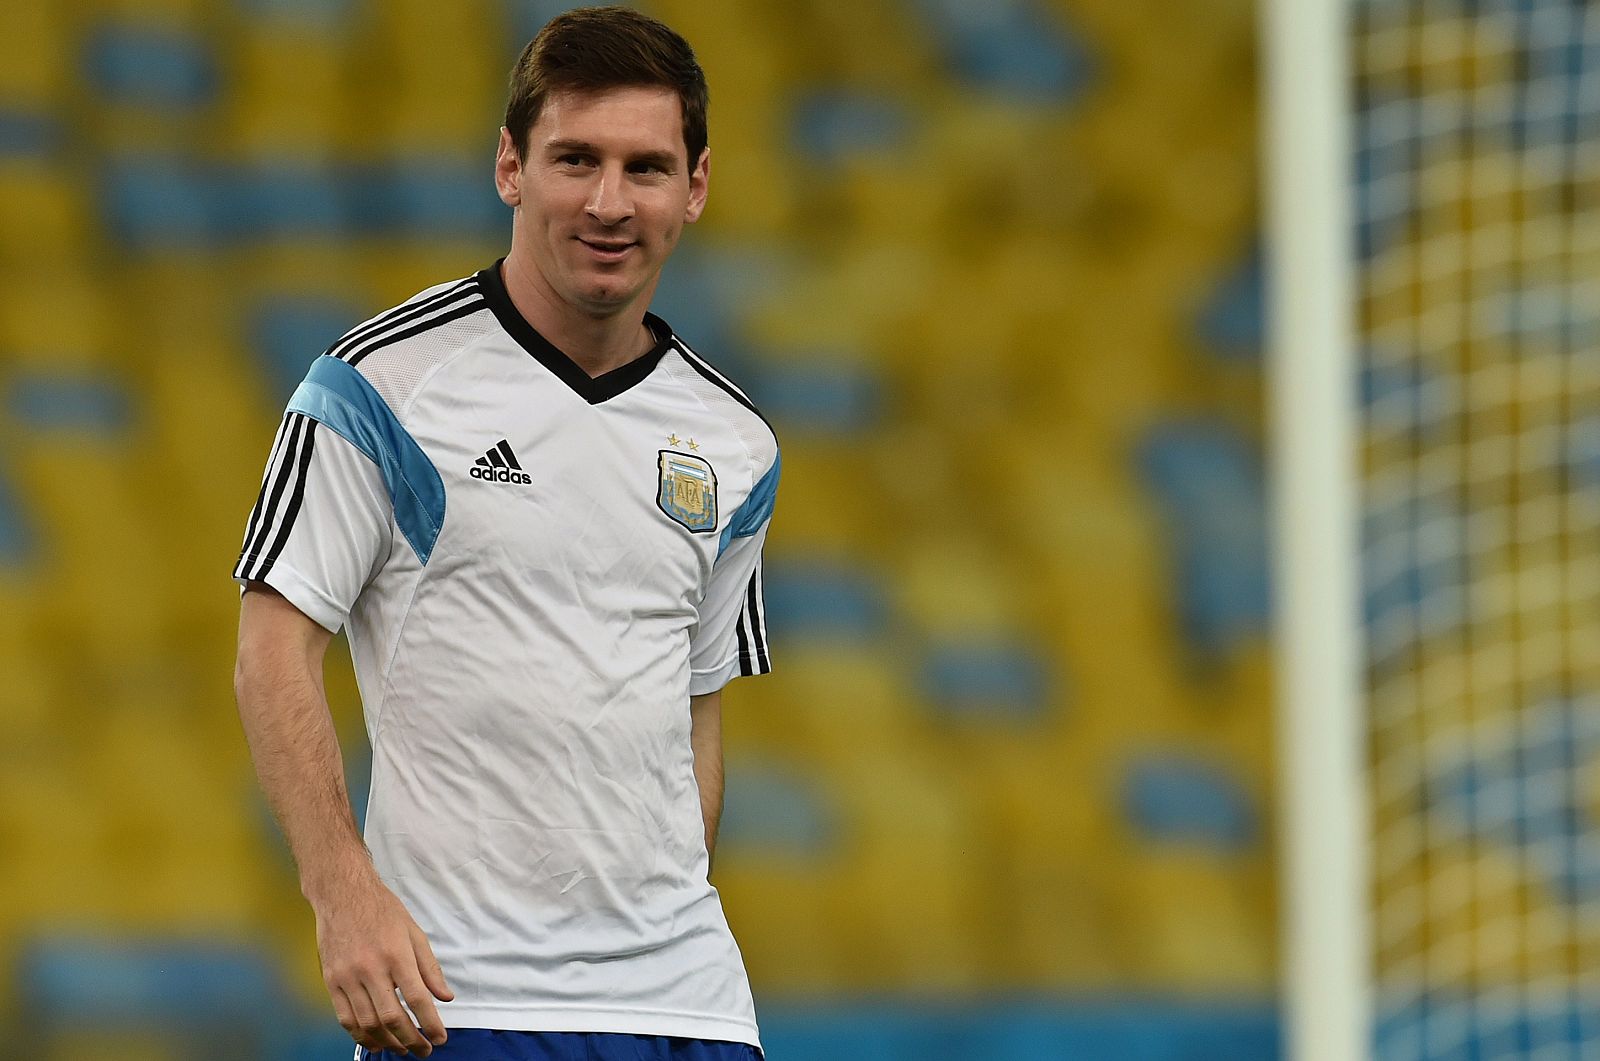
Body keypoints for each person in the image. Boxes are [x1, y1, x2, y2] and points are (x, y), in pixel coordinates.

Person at [230, 8, 778, 1059]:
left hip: (687, 1009)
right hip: (458, 1000)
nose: (609, 202)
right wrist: (341, 892)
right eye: (575, 159)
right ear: (510, 167)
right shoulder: (378, 387)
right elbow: (271, 650)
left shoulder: (735, 441)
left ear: (696, 187)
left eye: (645, 167)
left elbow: (694, 708)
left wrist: (654, 921)